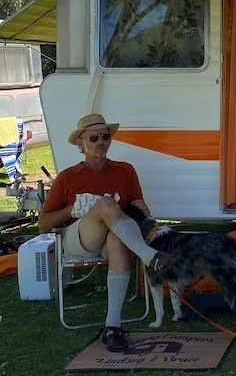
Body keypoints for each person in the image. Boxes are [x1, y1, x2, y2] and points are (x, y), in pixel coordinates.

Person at [38, 113, 176, 352]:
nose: (101, 141)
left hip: (116, 236)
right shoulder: (68, 177)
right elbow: (43, 224)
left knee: (116, 236)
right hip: (79, 238)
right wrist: (74, 208)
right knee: (105, 204)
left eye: (105, 136)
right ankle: (149, 256)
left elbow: (139, 210)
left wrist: (141, 209)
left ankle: (112, 326)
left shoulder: (125, 171)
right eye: (93, 137)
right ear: (80, 144)